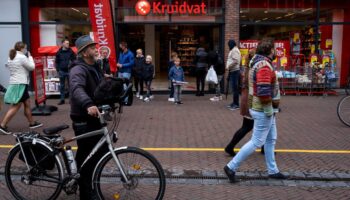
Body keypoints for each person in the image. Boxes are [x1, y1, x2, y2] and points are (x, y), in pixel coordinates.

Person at [224, 38, 287, 183]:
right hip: (263, 109)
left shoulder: (257, 63)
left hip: (261, 108)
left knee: (271, 139)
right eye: (274, 49)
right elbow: (264, 91)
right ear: (270, 50)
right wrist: (269, 110)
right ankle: (231, 166)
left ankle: (273, 170)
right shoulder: (264, 65)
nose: (275, 51)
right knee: (257, 142)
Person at [69, 35, 108, 199]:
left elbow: (98, 87)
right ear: (85, 53)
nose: (96, 49)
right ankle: (85, 192)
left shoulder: (95, 66)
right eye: (92, 47)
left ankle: (77, 177)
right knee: (90, 155)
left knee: (95, 152)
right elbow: (76, 88)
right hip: (83, 117)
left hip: (93, 116)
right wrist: (88, 104)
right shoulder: (78, 69)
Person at [0, 42, 43, 135]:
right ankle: (2, 125)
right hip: (20, 84)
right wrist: (30, 57)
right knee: (16, 105)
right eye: (25, 48)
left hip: (16, 83)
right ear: (21, 49)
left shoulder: (11, 56)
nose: (26, 50)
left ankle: (32, 123)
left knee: (27, 102)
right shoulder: (22, 57)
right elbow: (32, 67)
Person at [224, 49, 256, 156]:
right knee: (248, 126)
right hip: (251, 100)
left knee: (255, 126)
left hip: (246, 98)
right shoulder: (253, 69)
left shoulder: (247, 68)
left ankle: (265, 148)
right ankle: (230, 146)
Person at [55, 39, 76, 105]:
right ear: (63, 44)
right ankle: (62, 99)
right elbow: (56, 62)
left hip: (69, 71)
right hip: (62, 71)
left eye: (68, 43)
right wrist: (58, 70)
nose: (68, 44)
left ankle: (71, 99)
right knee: (62, 86)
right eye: (66, 43)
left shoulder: (71, 51)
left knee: (70, 86)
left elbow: (75, 60)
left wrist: (72, 68)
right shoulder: (59, 52)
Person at [226, 39, 241, 110]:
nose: (228, 46)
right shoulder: (233, 50)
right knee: (234, 88)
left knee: (235, 88)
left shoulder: (235, 50)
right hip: (233, 71)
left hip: (235, 71)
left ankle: (236, 104)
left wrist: (229, 66)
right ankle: (234, 102)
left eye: (229, 45)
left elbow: (236, 61)